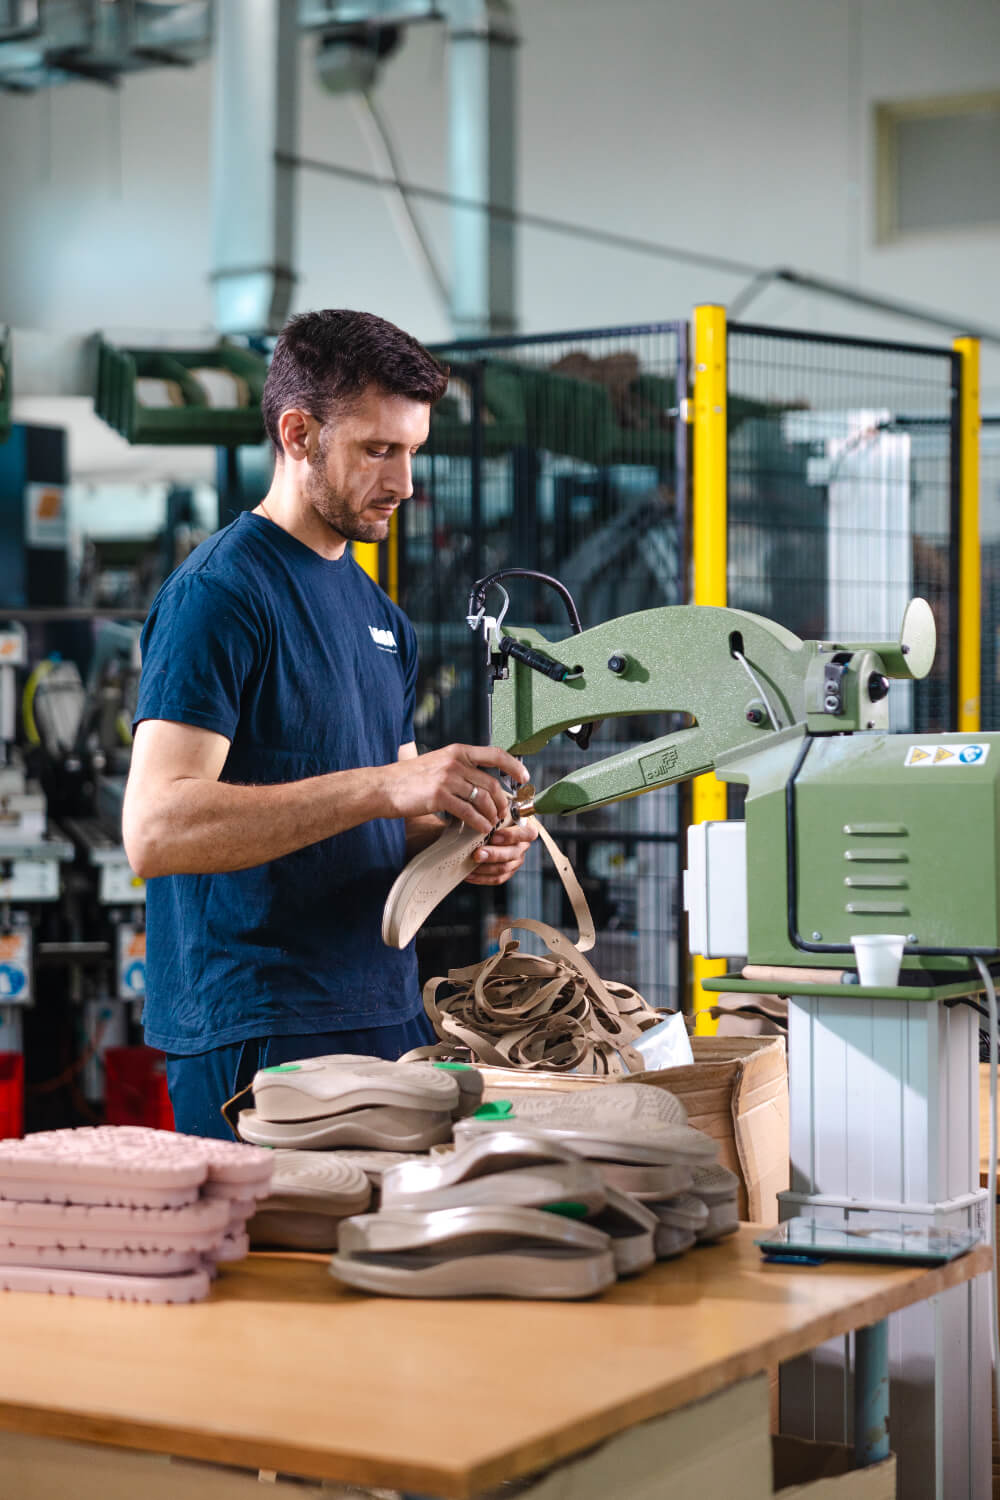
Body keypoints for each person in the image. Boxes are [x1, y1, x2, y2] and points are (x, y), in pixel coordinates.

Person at [122, 309, 535, 1138]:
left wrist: (462, 836)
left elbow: (392, 818)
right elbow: (156, 827)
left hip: (382, 1005)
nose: (404, 482)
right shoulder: (221, 596)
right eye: (378, 450)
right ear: (299, 434)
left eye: (413, 451)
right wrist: (388, 786)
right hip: (260, 1025)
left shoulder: (381, 614)